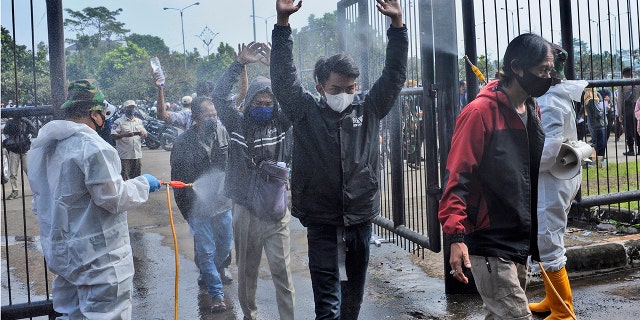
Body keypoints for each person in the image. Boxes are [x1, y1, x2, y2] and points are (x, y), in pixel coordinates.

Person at [271, 0, 408, 318]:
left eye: (351, 88)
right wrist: (282, 24)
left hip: (360, 219)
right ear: (320, 87)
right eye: (336, 88)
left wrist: (398, 26)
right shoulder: (305, 111)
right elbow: (283, 79)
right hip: (321, 221)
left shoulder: (369, 108)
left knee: (351, 300)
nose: (344, 94)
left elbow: (395, 75)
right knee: (328, 304)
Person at [438, 33, 552, 319]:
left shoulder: (531, 109)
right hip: (490, 241)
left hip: (519, 239)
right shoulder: (478, 113)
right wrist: (455, 237)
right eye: (543, 70)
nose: (549, 77)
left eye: (550, 70)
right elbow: (457, 178)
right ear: (517, 68)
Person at [27, 79, 161, 319]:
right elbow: (113, 198)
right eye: (102, 114)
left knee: (71, 315)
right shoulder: (93, 147)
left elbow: (41, 202)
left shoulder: (47, 147)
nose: (104, 120)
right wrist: (143, 184)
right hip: (99, 260)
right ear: (94, 113)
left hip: (65, 256)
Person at [212, 41, 295, 320]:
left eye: (268, 103)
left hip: (276, 210)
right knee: (247, 272)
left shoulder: (281, 123)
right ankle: (250, 315)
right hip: (246, 211)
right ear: (249, 104)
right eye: (258, 103)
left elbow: (296, 96)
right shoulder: (237, 123)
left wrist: (278, 68)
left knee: (282, 271)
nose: (264, 107)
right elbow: (219, 96)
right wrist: (239, 65)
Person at [527, 44, 587, 319]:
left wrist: (520, 163)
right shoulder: (556, 93)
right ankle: (554, 301)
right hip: (558, 177)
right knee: (545, 237)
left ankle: (564, 312)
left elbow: (549, 148)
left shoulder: (549, 100)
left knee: (547, 238)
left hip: (552, 178)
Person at [170, 96, 233, 313]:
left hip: (223, 203)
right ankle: (216, 294)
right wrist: (187, 213)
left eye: (215, 115)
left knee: (225, 246)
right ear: (195, 117)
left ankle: (209, 272)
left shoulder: (223, 133)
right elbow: (177, 181)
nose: (213, 120)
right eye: (208, 116)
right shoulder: (181, 143)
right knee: (205, 251)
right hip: (198, 208)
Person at [2, 116, 37, 200]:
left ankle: (35, 189)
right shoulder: (13, 122)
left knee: (28, 170)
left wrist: (27, 122)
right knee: (14, 172)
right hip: (16, 148)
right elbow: (5, 131)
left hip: (22, 148)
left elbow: (33, 131)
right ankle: (15, 190)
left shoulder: (25, 121)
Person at [111, 100, 147, 180]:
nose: (132, 109)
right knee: (125, 178)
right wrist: (125, 135)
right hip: (125, 155)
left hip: (137, 155)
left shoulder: (138, 121)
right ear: (125, 109)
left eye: (133, 107)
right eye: (130, 107)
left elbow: (145, 133)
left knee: (137, 178)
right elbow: (113, 135)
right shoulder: (118, 122)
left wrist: (143, 134)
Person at [618, 67, 640, 156]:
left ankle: (631, 150)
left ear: (623, 74)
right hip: (637, 106)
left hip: (627, 107)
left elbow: (620, 99)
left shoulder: (622, 83)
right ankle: (639, 149)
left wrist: (620, 113)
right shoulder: (637, 82)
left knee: (628, 130)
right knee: (638, 128)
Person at [584, 87, 606, 167]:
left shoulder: (588, 101)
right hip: (598, 125)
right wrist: (605, 109)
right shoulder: (592, 101)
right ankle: (600, 163)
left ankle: (597, 162)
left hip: (594, 125)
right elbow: (598, 113)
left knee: (597, 144)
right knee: (601, 145)